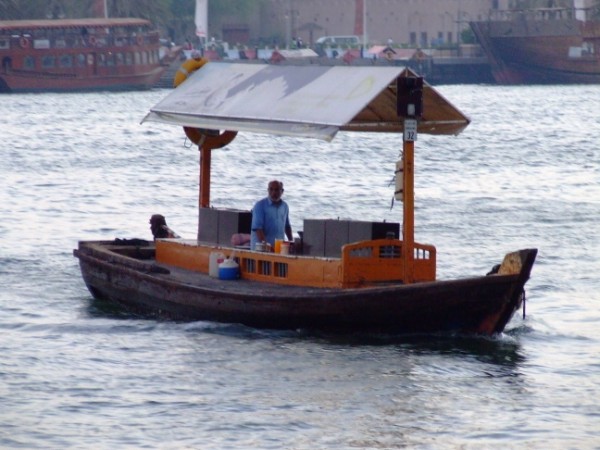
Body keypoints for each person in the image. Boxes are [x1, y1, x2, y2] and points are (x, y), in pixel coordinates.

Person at [250, 180, 293, 250]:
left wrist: (291, 242)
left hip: (278, 248)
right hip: (260, 250)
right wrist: (267, 247)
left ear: (282, 191)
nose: (273, 192)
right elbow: (258, 229)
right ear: (268, 190)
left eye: (276, 190)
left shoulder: (284, 206)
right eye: (271, 189)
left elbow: (287, 226)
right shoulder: (260, 206)